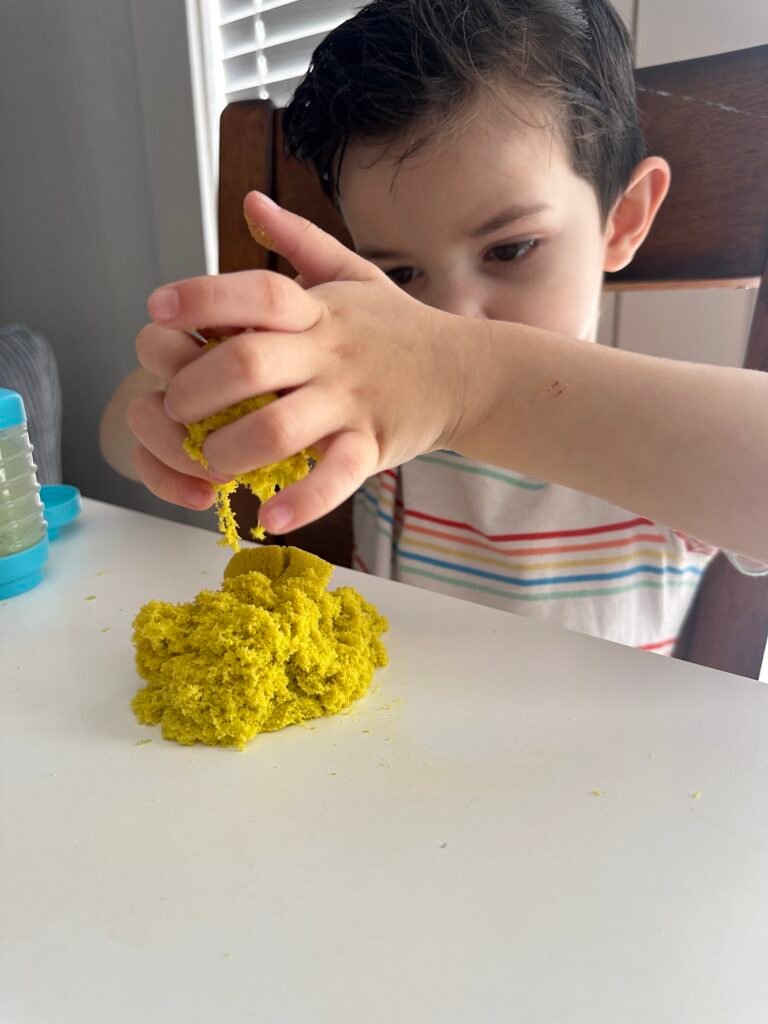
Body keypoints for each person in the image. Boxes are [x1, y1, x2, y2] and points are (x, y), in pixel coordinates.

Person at [100, 0, 768, 652]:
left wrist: (466, 382)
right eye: (398, 277)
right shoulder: (367, 412)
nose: (445, 320)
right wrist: (202, 390)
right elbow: (111, 437)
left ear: (619, 221)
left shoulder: (646, 437)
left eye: (508, 250)